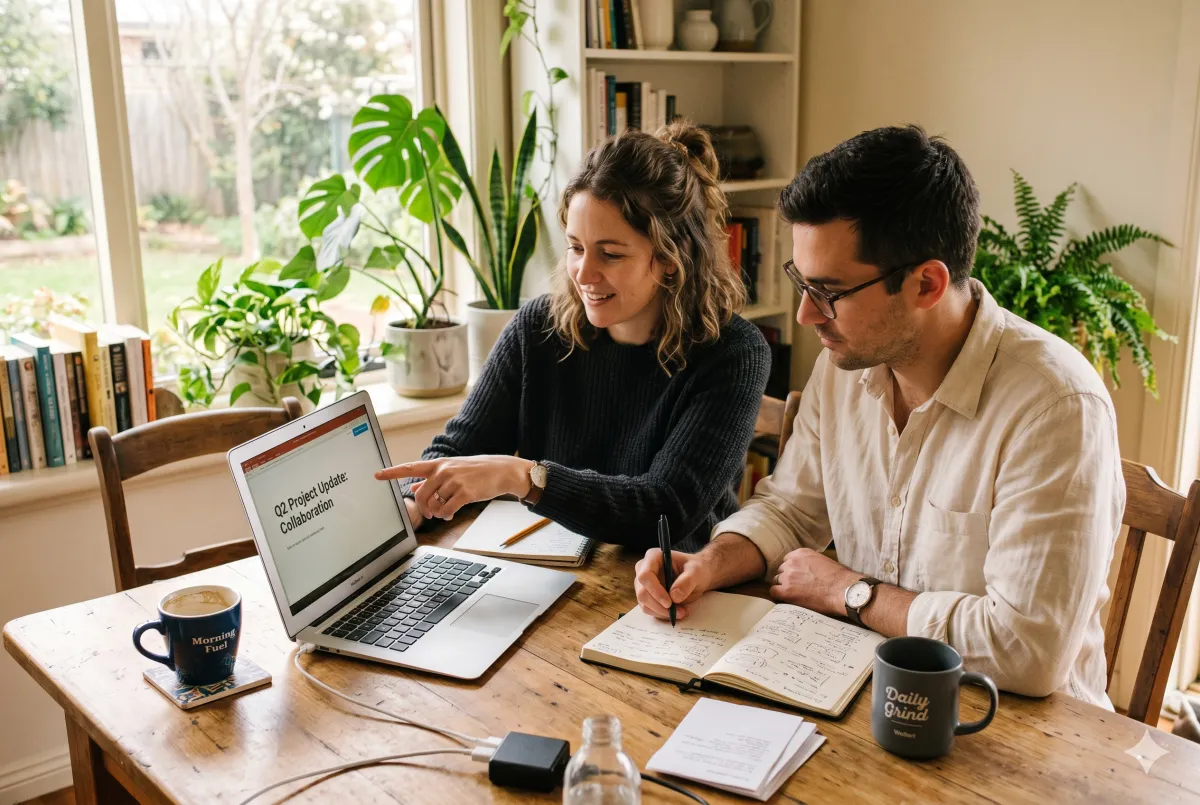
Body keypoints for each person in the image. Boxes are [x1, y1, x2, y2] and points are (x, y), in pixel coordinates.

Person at [633, 125, 1124, 706]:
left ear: (927, 284)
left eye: (829, 290)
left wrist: (852, 593)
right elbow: (792, 508)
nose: (805, 314)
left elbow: (1026, 651)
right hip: (861, 690)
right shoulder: (843, 366)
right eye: (800, 280)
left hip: (1015, 727)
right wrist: (711, 563)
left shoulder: (1055, 407)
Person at [376, 121, 771, 552]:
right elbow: (459, 447)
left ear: (671, 260)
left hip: (670, 591)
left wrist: (525, 477)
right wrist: (412, 501)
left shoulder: (733, 354)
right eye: (576, 247)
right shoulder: (537, 329)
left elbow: (663, 510)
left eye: (611, 253)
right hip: (547, 575)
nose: (583, 273)